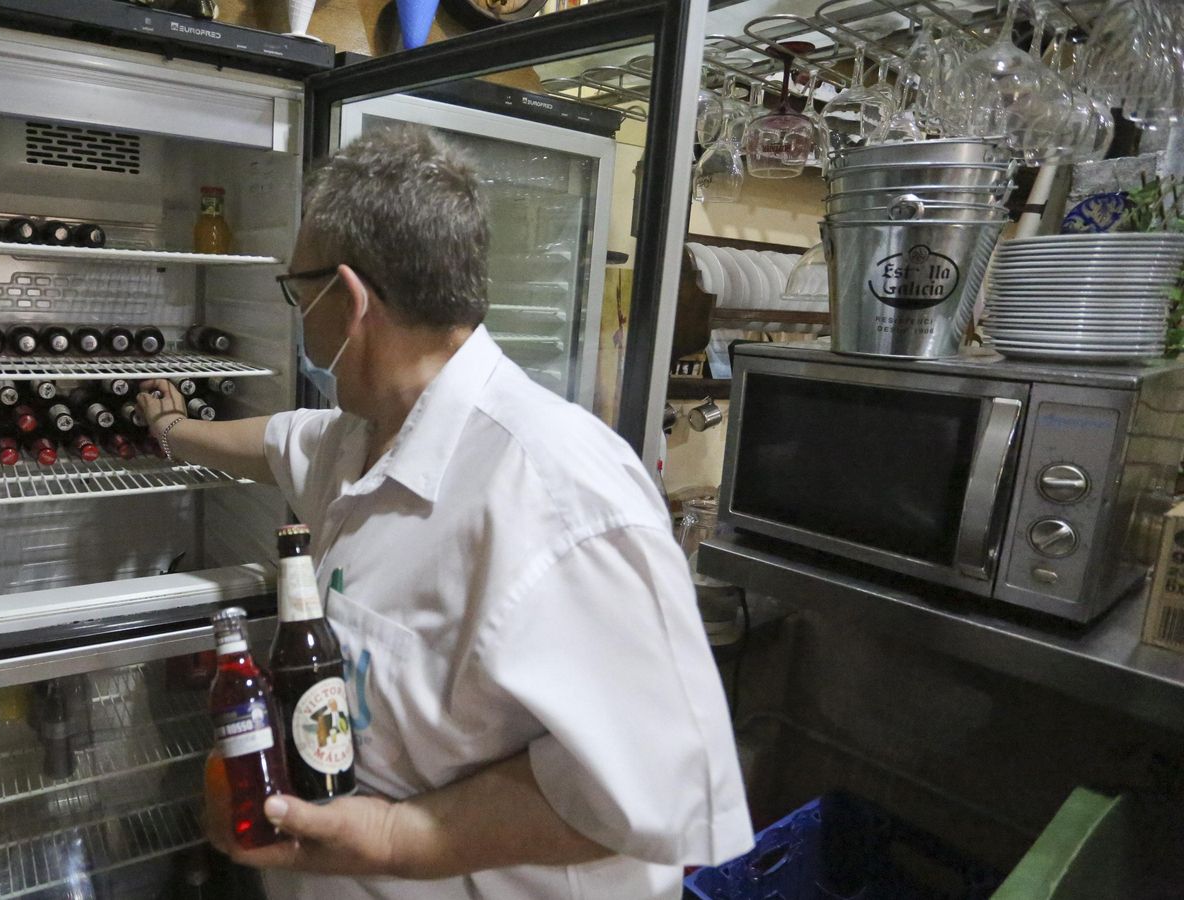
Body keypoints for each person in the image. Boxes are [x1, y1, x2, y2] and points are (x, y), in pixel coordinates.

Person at [136, 125, 751, 899]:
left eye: (298, 293)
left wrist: (401, 837)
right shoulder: (362, 435)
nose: (298, 315)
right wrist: (170, 431)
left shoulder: (559, 494)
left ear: (349, 299)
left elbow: (663, 783)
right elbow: (271, 443)